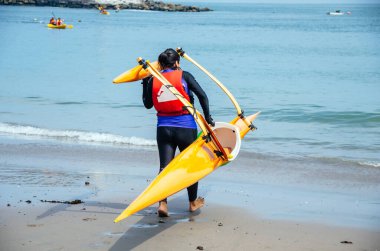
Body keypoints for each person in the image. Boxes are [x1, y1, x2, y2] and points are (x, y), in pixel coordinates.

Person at [142, 48, 215, 217]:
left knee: (164, 167)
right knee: (191, 166)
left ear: (160, 65)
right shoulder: (184, 75)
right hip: (186, 127)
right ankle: (192, 203)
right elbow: (203, 96)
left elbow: (147, 104)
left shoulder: (154, 79)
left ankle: (162, 203)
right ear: (176, 63)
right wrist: (208, 118)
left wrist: (145, 82)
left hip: (164, 129)